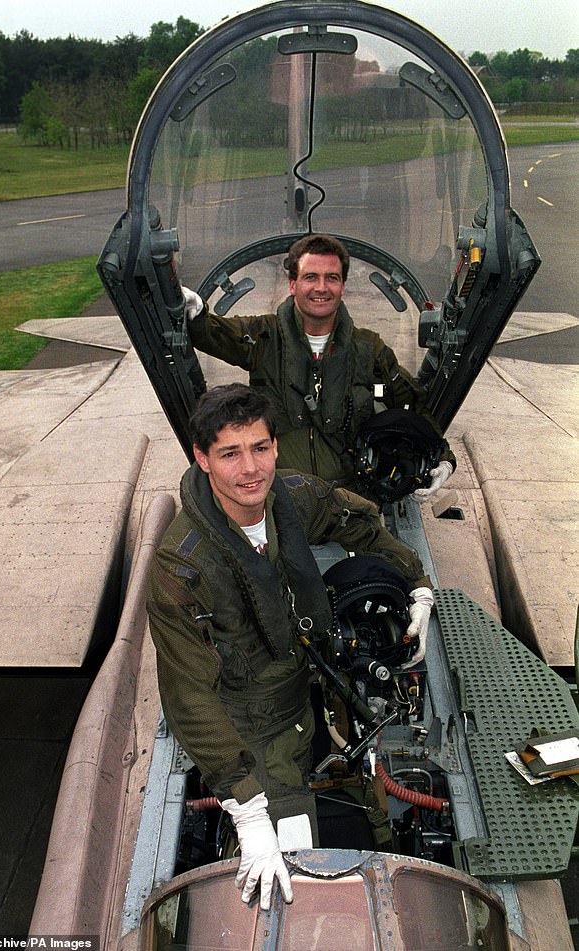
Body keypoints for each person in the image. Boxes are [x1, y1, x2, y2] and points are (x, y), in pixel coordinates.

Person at [147, 383, 434, 910]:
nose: (250, 468)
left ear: (276, 446)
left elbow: (362, 522)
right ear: (202, 459)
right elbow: (190, 697)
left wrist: (416, 582)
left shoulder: (294, 499)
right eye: (230, 453)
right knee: (295, 886)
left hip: (318, 692)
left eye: (260, 447)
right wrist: (246, 804)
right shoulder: (181, 567)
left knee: (371, 822)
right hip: (252, 730)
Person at [182, 233, 455, 501]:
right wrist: (193, 312)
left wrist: (443, 460)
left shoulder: (369, 350)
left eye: (332, 278)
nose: (321, 287)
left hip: (351, 499)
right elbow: (214, 333)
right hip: (279, 497)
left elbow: (414, 407)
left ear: (343, 286)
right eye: (311, 277)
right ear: (293, 284)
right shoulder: (263, 336)